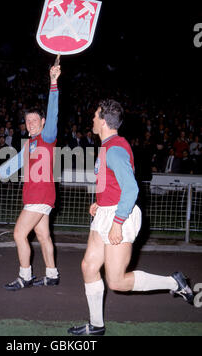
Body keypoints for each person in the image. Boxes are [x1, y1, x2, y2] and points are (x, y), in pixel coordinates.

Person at [68, 99, 194, 336]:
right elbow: (113, 182)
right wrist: (99, 202)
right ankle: (96, 325)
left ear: (104, 121)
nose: (92, 119)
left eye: (95, 116)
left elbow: (131, 189)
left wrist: (117, 222)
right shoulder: (108, 145)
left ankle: (174, 283)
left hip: (120, 215)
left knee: (116, 282)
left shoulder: (114, 149)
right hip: (106, 211)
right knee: (89, 266)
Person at [0, 65, 61, 290]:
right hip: (40, 196)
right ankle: (52, 274)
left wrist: (53, 83)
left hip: (40, 196)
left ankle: (25, 277)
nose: (31, 123)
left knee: (18, 233)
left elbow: (53, 112)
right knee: (43, 235)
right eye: (28, 121)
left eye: (35, 120)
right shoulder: (30, 144)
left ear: (43, 122)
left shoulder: (47, 136)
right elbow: (14, 163)